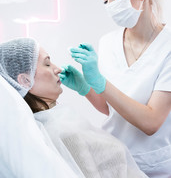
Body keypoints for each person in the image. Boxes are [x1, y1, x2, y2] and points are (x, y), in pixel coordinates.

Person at [60, 0, 171, 178]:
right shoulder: (108, 42)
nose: (110, 5)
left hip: (154, 166)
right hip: (113, 160)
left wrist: (101, 83)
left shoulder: (167, 46)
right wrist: (85, 87)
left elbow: (151, 122)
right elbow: (108, 107)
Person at [0, 37, 147, 178]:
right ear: (25, 80)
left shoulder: (53, 125)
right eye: (47, 64)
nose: (57, 69)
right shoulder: (63, 133)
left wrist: (86, 88)